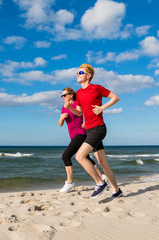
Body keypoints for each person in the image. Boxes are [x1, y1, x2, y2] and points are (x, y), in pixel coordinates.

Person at [65, 63, 123, 198]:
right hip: (89, 129)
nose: (78, 75)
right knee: (102, 162)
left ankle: (100, 182)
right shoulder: (78, 93)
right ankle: (116, 190)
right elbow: (79, 113)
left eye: (81, 73)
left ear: (88, 75)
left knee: (79, 156)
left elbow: (116, 98)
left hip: (99, 128)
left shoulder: (96, 88)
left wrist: (103, 108)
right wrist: (70, 108)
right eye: (77, 73)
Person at [58, 87, 105, 193]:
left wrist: (87, 122)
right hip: (73, 136)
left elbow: (85, 112)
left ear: (71, 95)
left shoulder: (77, 104)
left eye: (64, 95)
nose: (63, 97)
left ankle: (70, 182)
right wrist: (61, 118)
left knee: (66, 156)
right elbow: (60, 124)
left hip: (81, 134)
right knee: (86, 157)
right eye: (62, 96)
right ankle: (101, 176)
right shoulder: (64, 108)